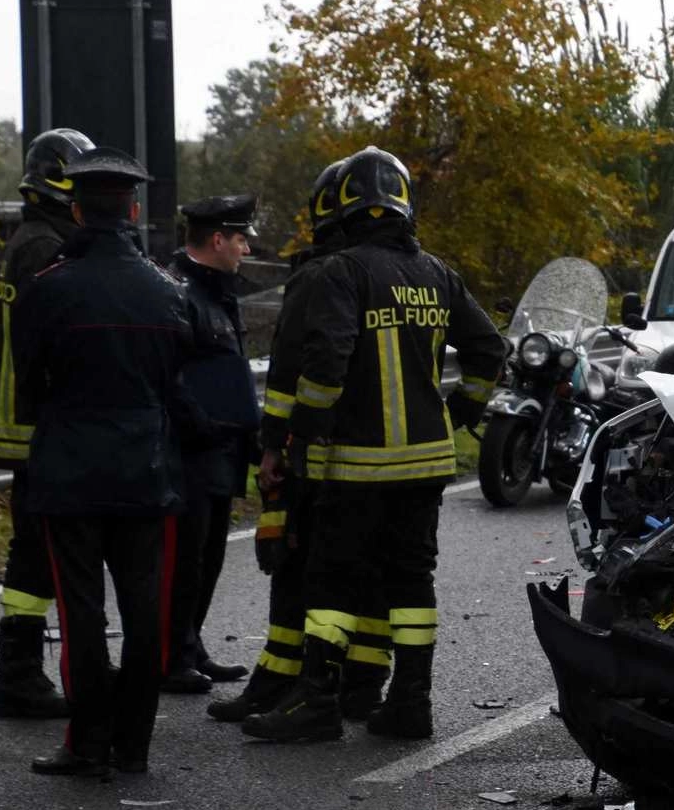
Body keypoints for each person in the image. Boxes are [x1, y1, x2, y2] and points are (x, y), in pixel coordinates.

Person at [242, 146, 504, 742]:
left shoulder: (342, 271)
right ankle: (411, 704)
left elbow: (326, 364)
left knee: (333, 582)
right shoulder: (438, 273)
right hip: (427, 465)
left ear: (346, 206)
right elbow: (491, 348)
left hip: (355, 465)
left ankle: (317, 704)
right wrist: (459, 410)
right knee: (411, 582)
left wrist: (301, 435)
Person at [14, 147, 193, 777]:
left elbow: (27, 387)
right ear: (134, 209)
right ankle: (134, 746)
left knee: (81, 613)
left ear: (76, 210)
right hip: (146, 472)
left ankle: (86, 744)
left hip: (68, 474)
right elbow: (180, 384)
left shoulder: (47, 290)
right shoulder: (167, 292)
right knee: (146, 614)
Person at [208, 159, 395, 722]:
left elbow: (291, 373)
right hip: (376, 456)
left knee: (293, 562)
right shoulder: (400, 271)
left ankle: (281, 679)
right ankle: (361, 681)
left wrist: (276, 448)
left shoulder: (322, 275)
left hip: (312, 453)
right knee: (368, 569)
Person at [0, 127, 94, 719]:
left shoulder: (32, 239)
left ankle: (20, 671)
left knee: (35, 553)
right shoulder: (43, 247)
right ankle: (20, 674)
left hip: (27, 427)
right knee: (36, 556)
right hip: (40, 429)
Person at [160, 193, 260, 694]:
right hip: (191, 453)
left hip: (223, 451)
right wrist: (201, 427)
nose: (245, 248)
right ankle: (170, 655)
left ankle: (190, 645)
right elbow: (169, 376)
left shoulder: (218, 292)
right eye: (241, 238)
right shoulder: (178, 291)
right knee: (185, 560)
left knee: (210, 558)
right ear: (217, 239)